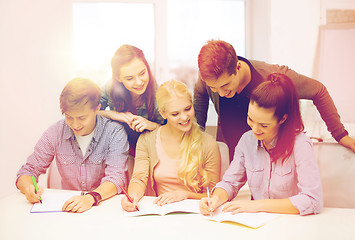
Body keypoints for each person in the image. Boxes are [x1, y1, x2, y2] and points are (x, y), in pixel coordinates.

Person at [194, 40, 355, 160]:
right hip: (234, 162)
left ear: (237, 67)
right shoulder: (210, 79)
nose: (221, 93)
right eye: (214, 88)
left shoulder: (273, 76)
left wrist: (340, 134)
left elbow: (318, 90)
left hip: (273, 164)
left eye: (226, 86)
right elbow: (200, 92)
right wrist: (198, 135)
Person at [200, 73, 323, 216]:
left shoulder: (300, 145)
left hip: (291, 223)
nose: (255, 129)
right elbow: (230, 183)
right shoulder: (247, 141)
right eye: (250, 119)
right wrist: (215, 199)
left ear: (282, 119)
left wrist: (257, 205)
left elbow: (313, 200)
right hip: (259, 224)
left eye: (264, 125)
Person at [16, 78, 129, 213]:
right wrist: (28, 186)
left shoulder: (114, 133)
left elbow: (116, 178)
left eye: (82, 118)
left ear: (97, 109)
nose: (75, 125)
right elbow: (28, 171)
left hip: (104, 207)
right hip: (70, 210)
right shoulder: (55, 132)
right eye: (69, 117)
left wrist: (90, 198)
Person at [121, 79, 220, 212]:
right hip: (160, 213)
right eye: (175, 114)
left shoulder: (208, 144)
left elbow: (213, 194)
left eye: (187, 109)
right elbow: (139, 178)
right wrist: (131, 197)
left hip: (196, 215)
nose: (184, 117)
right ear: (163, 113)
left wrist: (184, 195)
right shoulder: (147, 141)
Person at [100, 45, 164, 157]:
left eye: (142, 73)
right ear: (118, 78)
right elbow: (88, 112)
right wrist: (114, 114)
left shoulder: (159, 95)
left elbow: (173, 133)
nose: (139, 82)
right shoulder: (110, 87)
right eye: (129, 78)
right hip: (118, 151)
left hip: (150, 153)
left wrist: (152, 125)